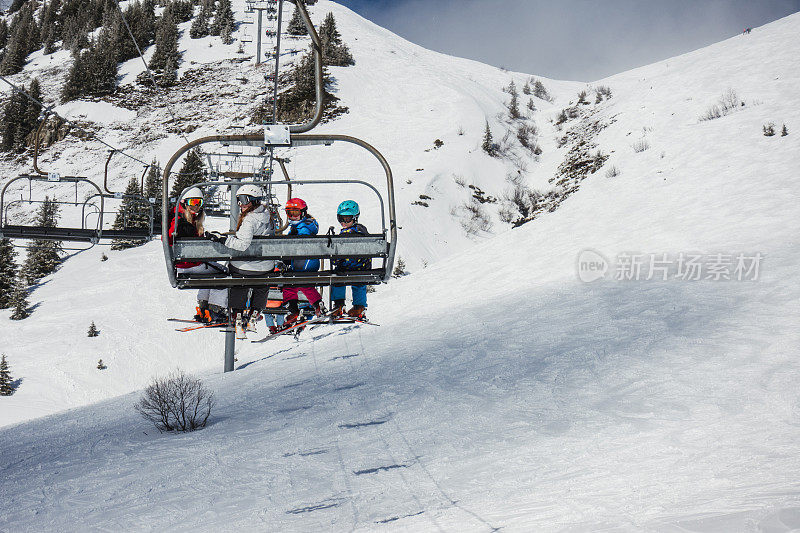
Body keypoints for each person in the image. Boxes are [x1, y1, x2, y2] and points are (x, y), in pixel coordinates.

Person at [205, 184, 275, 326]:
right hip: (266, 267)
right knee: (262, 283)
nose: (240, 204)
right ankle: (255, 311)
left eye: (244, 200)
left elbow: (243, 245)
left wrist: (222, 239)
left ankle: (237, 312)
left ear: (254, 200)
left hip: (246, 268)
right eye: (238, 200)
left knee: (238, 277)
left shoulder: (250, 220)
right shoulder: (267, 216)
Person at [167, 187, 226, 323]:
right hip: (189, 264)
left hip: (187, 264)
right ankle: (215, 311)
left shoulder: (186, 219)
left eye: (199, 202)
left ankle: (204, 309)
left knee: (212, 276)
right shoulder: (180, 222)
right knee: (224, 274)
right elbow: (171, 238)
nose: (196, 206)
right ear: (184, 203)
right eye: (193, 202)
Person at [277, 197, 324, 329]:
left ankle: (293, 310)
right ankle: (318, 305)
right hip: (308, 264)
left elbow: (301, 243)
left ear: (303, 212)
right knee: (304, 285)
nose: (292, 216)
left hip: (304, 264)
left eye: (295, 213)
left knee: (290, 284)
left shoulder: (303, 228)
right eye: (289, 213)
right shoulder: (304, 225)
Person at [330, 200, 371, 318]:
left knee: (337, 278)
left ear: (355, 217)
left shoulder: (345, 234)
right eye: (341, 219)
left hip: (347, 268)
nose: (343, 222)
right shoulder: (362, 230)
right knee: (359, 282)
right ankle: (359, 307)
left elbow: (336, 258)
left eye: (347, 219)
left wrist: (335, 261)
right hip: (362, 269)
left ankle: (338, 305)